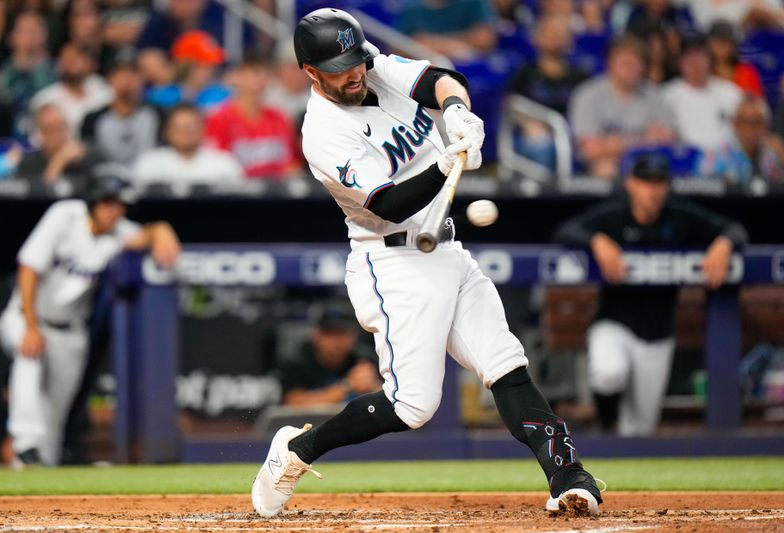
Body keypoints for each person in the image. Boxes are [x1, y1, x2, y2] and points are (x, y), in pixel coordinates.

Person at [251, 8, 603, 519]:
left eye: (354, 59)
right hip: (394, 262)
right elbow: (388, 204)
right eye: (338, 66)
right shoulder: (322, 133)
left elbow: (439, 79)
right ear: (310, 71)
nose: (353, 72)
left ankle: (569, 474)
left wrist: (457, 111)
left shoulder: (369, 64)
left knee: (505, 363)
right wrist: (444, 164)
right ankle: (296, 451)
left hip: (447, 250)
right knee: (413, 406)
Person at [554, 152, 748, 436]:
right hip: (614, 323)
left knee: (639, 429)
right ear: (631, 184)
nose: (653, 190)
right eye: (646, 182)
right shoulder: (614, 215)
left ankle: (621, 457)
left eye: (659, 183)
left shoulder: (679, 215)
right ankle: (605, 428)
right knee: (608, 373)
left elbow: (736, 229)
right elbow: (564, 231)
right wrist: (595, 240)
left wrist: (724, 242)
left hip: (659, 334)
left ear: (667, 186)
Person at [0, 177, 180, 467]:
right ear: (93, 203)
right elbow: (29, 268)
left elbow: (147, 235)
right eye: (108, 204)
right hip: (28, 316)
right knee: (29, 355)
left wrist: (161, 229)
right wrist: (31, 327)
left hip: (70, 331)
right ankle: (25, 441)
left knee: (56, 413)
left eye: (120, 206)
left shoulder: (119, 232)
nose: (115, 211)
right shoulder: (64, 215)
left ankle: (36, 468)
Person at [569, 35, 676, 180]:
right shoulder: (588, 95)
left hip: (647, 164)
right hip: (605, 164)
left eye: (635, 63)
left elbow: (666, 140)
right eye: (625, 63)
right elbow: (591, 149)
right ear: (610, 64)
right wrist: (643, 140)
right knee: (606, 167)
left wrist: (612, 143)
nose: (630, 68)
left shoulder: (654, 96)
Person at [507, 15, 588, 169]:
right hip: (535, 133)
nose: (554, 38)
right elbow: (512, 105)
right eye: (549, 34)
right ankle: (546, 193)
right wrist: (529, 123)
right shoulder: (525, 73)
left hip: (573, 132)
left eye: (559, 34)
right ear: (536, 38)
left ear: (569, 39)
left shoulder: (579, 76)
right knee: (540, 143)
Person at [205, 52, 300, 180]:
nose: (261, 79)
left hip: (277, 193)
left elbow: (292, 164)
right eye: (254, 72)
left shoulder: (279, 117)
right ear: (238, 76)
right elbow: (214, 165)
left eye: (266, 73)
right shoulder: (220, 118)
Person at [277, 302, 380, 406]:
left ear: (354, 335)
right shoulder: (296, 360)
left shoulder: (364, 359)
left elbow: (389, 400)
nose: (337, 341)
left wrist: (373, 387)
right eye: (330, 333)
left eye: (343, 333)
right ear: (316, 334)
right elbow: (293, 405)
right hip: (312, 422)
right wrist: (348, 386)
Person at [662, 33, 743, 153]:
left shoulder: (731, 93)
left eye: (700, 56)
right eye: (689, 57)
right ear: (680, 62)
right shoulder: (668, 95)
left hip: (728, 161)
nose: (695, 63)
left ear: (709, 59)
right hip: (687, 164)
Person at [81, 51, 161, 168]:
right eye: (120, 72)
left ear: (143, 78)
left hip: (149, 180)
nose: (127, 78)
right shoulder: (93, 119)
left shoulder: (158, 115)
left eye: (133, 72)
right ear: (109, 79)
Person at [133, 103, 243, 187]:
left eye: (190, 128)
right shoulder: (149, 163)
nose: (184, 133)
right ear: (167, 131)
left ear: (203, 130)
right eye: (178, 128)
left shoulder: (224, 163)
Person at [0, 11, 56, 139]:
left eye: (34, 30)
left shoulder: (57, 71)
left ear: (44, 35)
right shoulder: (1, 76)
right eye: (24, 30)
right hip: (6, 140)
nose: (30, 35)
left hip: (46, 137)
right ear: (12, 36)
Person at [16, 104, 107, 195]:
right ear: (40, 133)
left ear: (68, 128)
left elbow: (104, 188)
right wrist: (59, 161)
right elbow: (37, 195)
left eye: (60, 128)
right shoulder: (29, 163)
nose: (57, 135)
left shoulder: (90, 154)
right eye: (50, 129)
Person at [30, 42, 114, 136]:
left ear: (87, 62)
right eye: (67, 59)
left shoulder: (103, 90)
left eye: (76, 59)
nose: (71, 64)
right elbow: (37, 139)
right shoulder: (44, 99)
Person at [702, 95, 784, 184]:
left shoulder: (770, 157)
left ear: (765, 125)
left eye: (756, 121)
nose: (750, 128)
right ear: (733, 123)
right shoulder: (717, 157)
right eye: (744, 121)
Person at [145, 30, 230, 113]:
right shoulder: (160, 97)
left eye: (212, 65)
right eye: (200, 66)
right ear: (185, 66)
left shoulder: (223, 96)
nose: (209, 71)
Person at [397, 0, 497, 60]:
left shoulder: (473, 3)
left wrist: (437, 44)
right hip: (423, 73)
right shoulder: (413, 9)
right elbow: (397, 48)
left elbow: (484, 39)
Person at [706, 20, 764, 98]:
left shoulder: (747, 71)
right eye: (720, 42)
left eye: (729, 43)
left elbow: (757, 101)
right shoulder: (702, 71)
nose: (725, 47)